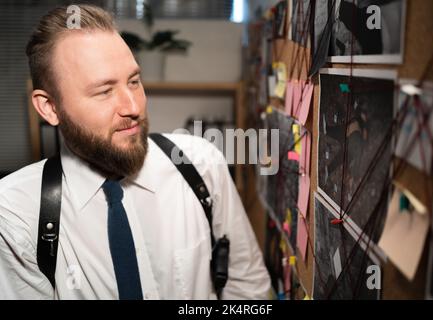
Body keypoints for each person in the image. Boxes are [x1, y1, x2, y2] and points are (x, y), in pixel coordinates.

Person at [0, 4, 271, 300]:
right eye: (104, 91)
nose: (133, 107)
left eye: (134, 81)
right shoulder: (16, 212)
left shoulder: (200, 165)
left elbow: (249, 290)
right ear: (49, 108)